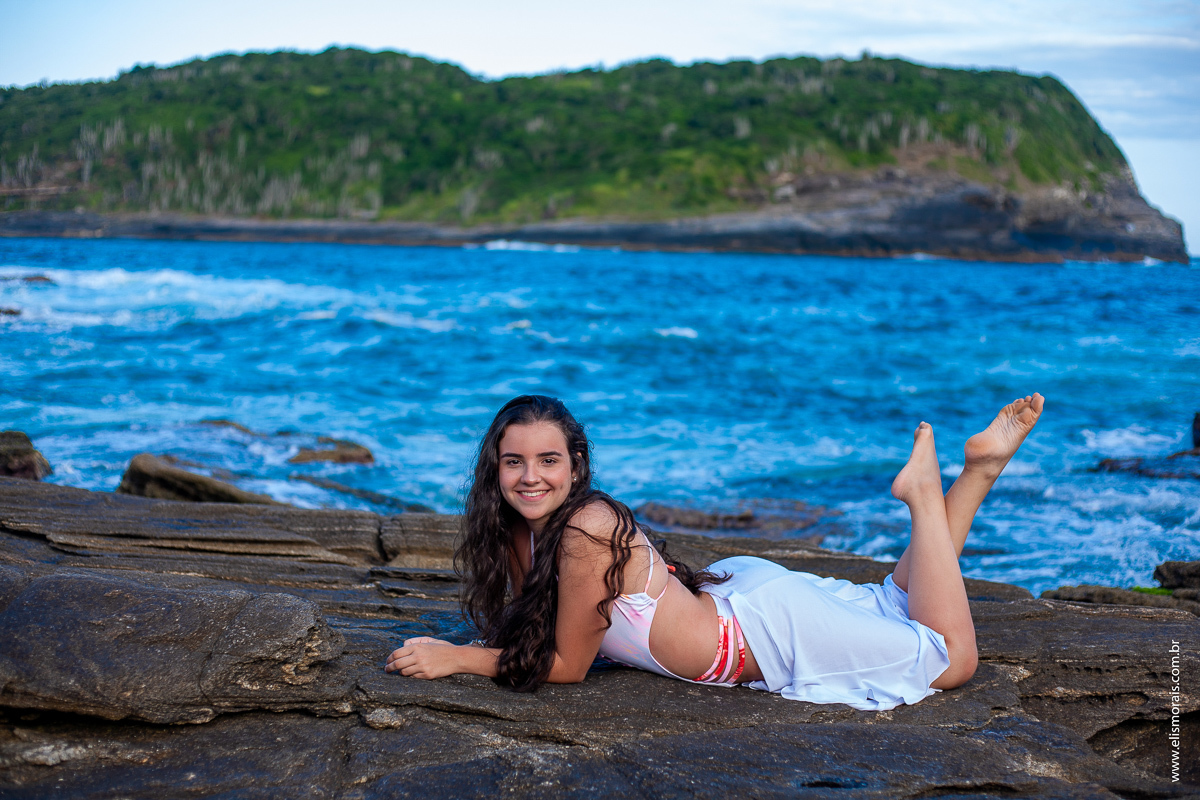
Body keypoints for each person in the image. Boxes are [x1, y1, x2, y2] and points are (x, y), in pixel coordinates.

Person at [385, 393, 1044, 710]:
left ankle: (925, 499)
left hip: (759, 632)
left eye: (548, 460)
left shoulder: (584, 531)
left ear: (577, 464)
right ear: (494, 470)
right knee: (897, 601)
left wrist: (458, 659)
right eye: (514, 461)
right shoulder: (525, 530)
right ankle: (981, 470)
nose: (531, 476)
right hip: (738, 601)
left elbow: (566, 666)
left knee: (952, 659)